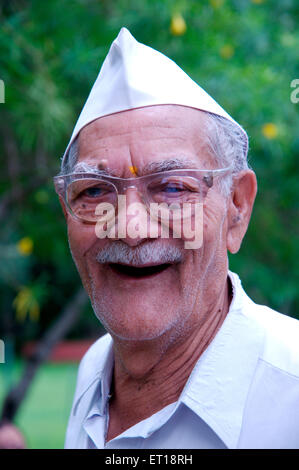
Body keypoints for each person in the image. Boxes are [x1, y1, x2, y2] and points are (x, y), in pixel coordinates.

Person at [54, 28, 299, 449]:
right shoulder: (95, 369)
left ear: (237, 208)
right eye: (94, 191)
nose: (129, 227)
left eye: (171, 187)